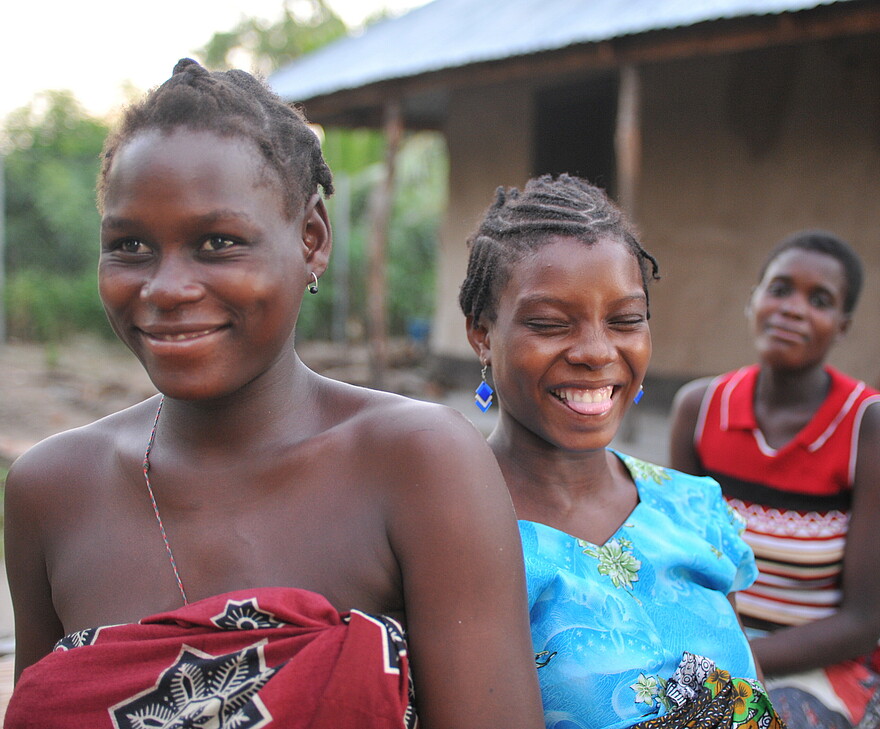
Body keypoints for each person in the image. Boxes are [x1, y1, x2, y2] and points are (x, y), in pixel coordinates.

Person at [2, 59, 544, 729]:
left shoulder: (420, 465)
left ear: (311, 238)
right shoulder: (50, 490)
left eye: (218, 242)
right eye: (131, 244)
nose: (166, 288)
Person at [459, 173, 784, 729]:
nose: (596, 351)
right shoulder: (455, 528)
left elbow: (751, 695)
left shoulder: (694, 509)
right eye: (550, 324)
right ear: (482, 335)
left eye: (626, 321)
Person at [669, 230, 880, 729]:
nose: (794, 309)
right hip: (720, 653)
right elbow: (682, 564)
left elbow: (863, 623)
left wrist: (741, 666)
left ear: (842, 325)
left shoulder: (870, 425)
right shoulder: (699, 409)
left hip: (834, 666)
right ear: (753, 300)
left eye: (819, 300)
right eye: (779, 289)